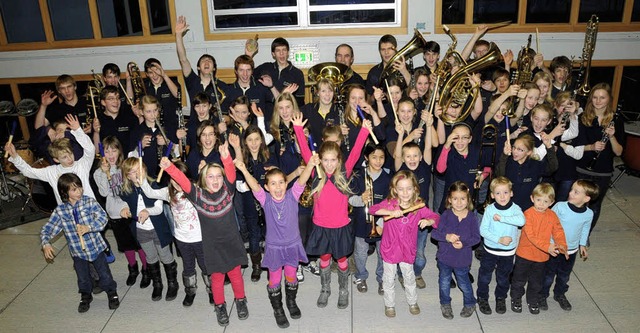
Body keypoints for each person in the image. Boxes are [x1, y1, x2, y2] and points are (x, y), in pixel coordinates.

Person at [160, 141, 248, 327]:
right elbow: (183, 181)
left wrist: (226, 158)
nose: (215, 180)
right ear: (203, 179)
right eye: (210, 177)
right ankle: (220, 306)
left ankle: (241, 300)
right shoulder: (197, 196)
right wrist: (169, 167)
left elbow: (231, 174)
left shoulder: (228, 191)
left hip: (231, 242)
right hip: (212, 247)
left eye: (218, 176)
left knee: (235, 274)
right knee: (216, 279)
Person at [291, 112, 371, 309]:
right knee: (324, 258)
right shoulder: (316, 173)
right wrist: (298, 129)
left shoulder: (344, 172)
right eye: (325, 160)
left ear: (339, 160)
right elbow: (305, 152)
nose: (329, 164)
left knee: (342, 259)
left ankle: (343, 290)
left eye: (333, 160)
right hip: (321, 226)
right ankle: (325, 288)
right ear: (320, 161)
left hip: (340, 226)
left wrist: (364, 130)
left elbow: (355, 152)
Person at [235, 155, 315, 328]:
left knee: (292, 276)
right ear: (267, 187)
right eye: (273, 183)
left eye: (281, 182)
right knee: (274, 279)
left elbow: (302, 180)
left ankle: (291, 302)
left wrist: (310, 165)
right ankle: (278, 309)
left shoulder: (293, 196)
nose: (278, 187)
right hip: (274, 248)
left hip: (293, 245)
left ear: (286, 184)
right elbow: (254, 186)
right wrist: (242, 169)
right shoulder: (266, 200)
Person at [40, 173, 119, 313]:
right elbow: (48, 228)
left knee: (104, 273)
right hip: (77, 251)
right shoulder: (61, 211)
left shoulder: (89, 202)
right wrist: (45, 243)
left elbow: (103, 217)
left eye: (80, 187)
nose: (79, 191)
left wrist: (89, 227)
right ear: (65, 192)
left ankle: (111, 292)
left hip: (96, 247)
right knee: (82, 276)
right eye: (74, 189)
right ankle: (85, 295)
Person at [140, 160, 213, 307]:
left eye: (181, 178)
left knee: (206, 266)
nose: (177, 182)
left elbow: (209, 185)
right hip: (182, 239)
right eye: (174, 179)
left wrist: (203, 170)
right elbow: (150, 192)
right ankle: (190, 291)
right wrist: (142, 178)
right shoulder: (168, 192)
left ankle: (212, 290)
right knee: (188, 267)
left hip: (200, 238)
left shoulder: (195, 189)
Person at [369, 170, 439, 318]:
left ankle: (412, 302)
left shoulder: (418, 207)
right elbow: (372, 209)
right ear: (395, 190)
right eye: (400, 189)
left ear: (414, 188)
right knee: (388, 279)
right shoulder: (389, 203)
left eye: (408, 188)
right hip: (390, 249)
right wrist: (388, 212)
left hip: (407, 250)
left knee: (409, 277)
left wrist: (428, 221)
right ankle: (389, 304)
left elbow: (435, 217)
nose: (405, 192)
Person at [119, 157, 178, 302]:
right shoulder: (127, 190)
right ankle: (157, 284)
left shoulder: (154, 185)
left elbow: (158, 209)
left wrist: (147, 211)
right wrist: (124, 208)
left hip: (158, 229)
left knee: (165, 256)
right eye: (132, 172)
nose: (137, 174)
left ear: (144, 169)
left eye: (138, 170)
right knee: (150, 257)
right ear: (127, 176)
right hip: (141, 230)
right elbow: (121, 201)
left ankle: (172, 283)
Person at [93, 136, 149, 288]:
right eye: (107, 150)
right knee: (127, 245)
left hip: (131, 213)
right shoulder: (98, 173)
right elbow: (104, 193)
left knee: (139, 244)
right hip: (115, 215)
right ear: (102, 153)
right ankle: (133, 268)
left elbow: (135, 156)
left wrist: (141, 146)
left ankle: (146, 269)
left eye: (114, 150)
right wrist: (105, 174)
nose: (111, 154)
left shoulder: (124, 167)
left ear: (119, 151)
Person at [392, 101, 435, 287]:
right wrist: (401, 134)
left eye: (415, 156)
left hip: (421, 218)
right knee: (404, 248)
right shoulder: (401, 168)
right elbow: (397, 155)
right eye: (408, 156)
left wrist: (429, 125)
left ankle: (416, 273)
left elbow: (427, 147)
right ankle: (403, 274)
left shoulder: (425, 166)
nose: (412, 159)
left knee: (419, 252)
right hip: (403, 218)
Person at [5, 114, 95, 204]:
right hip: (68, 215)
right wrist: (15, 156)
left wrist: (78, 130)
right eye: (64, 157)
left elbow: (90, 149)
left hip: (90, 210)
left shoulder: (82, 165)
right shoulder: (52, 172)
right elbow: (29, 171)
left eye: (70, 154)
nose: (70, 159)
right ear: (56, 160)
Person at [574, 83, 624, 236]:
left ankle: (585, 235)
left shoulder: (616, 120)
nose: (598, 101)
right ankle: (572, 233)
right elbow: (576, 145)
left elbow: (619, 152)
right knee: (577, 203)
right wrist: (592, 147)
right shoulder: (583, 118)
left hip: (603, 171)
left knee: (594, 205)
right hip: (582, 167)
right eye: (595, 97)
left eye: (602, 97)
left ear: (609, 99)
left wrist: (612, 136)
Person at [540, 179, 598, 312]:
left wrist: (582, 245)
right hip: (554, 248)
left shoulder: (588, 214)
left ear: (586, 198)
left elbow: (585, 229)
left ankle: (560, 294)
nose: (571, 193)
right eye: (572, 189)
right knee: (548, 274)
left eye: (576, 192)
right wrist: (547, 242)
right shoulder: (560, 206)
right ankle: (542, 294)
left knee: (564, 275)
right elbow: (548, 222)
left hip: (571, 251)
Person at [510, 183, 568, 315]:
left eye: (546, 201)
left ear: (552, 202)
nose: (541, 204)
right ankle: (516, 298)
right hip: (524, 255)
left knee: (536, 281)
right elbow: (531, 236)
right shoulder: (528, 214)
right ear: (532, 198)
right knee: (519, 279)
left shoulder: (552, 216)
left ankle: (533, 300)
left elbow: (558, 231)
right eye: (538, 200)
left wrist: (562, 245)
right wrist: (548, 246)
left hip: (541, 257)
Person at [476, 177, 525, 315]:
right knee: (485, 276)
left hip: (508, 253)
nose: (502, 196)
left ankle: (500, 298)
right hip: (490, 250)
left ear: (511, 193)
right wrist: (499, 239)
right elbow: (483, 230)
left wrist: (502, 218)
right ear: (492, 195)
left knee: (503, 277)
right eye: (498, 193)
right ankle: (482, 297)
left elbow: (521, 221)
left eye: (505, 192)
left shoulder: (515, 209)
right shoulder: (490, 210)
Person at [432, 181, 481, 319]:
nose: (459, 202)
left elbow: (476, 238)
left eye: (463, 198)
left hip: (462, 259)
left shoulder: (471, 217)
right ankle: (445, 303)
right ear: (449, 200)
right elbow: (435, 234)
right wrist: (446, 237)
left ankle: (470, 303)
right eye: (455, 199)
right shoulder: (446, 215)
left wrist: (464, 243)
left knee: (464, 283)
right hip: (445, 258)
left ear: (468, 199)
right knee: (444, 282)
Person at [349, 144, 392, 295]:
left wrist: (382, 223)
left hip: (381, 223)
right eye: (374, 157)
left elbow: (391, 203)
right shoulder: (358, 176)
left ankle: (381, 278)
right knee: (360, 252)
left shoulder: (388, 178)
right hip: (361, 222)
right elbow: (349, 199)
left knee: (382, 252)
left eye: (381, 157)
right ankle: (361, 275)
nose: (378, 161)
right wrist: (361, 199)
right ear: (366, 158)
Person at [175, 16, 229, 118]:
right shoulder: (192, 81)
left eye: (210, 61)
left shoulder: (222, 87)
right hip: (194, 127)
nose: (207, 62)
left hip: (213, 129)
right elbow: (183, 59)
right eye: (203, 61)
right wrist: (178, 35)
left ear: (214, 68)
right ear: (199, 67)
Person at [496, 134, 558, 211]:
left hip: (528, 209)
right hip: (509, 207)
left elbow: (553, 168)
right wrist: (504, 155)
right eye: (514, 147)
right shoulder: (507, 161)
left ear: (529, 152)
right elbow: (499, 176)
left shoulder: (535, 165)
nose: (515, 151)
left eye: (520, 150)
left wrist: (549, 147)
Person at [254, 37, 305, 106]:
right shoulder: (265, 67)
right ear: (273, 54)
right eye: (278, 50)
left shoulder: (297, 73)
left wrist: (285, 96)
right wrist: (248, 55)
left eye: (284, 50)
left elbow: (300, 102)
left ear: (288, 52)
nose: (281, 53)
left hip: (287, 114)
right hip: (266, 113)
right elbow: (247, 74)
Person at [223, 55, 273, 124]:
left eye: (248, 70)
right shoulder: (229, 90)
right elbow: (224, 114)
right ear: (236, 71)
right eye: (241, 70)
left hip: (258, 131)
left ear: (252, 71)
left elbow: (277, 103)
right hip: (235, 132)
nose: (245, 74)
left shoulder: (262, 87)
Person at [142, 58, 181, 143]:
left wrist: (164, 75)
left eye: (157, 71)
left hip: (171, 128)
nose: (155, 75)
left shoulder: (171, 82)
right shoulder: (144, 87)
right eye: (151, 73)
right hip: (152, 129)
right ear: (147, 74)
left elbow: (178, 95)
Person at [94, 85, 139, 152]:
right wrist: (96, 132)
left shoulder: (129, 117)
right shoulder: (98, 120)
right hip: (108, 161)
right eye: (111, 98)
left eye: (117, 98)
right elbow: (97, 151)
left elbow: (138, 141)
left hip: (127, 160)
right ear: (103, 102)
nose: (116, 101)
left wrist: (139, 116)